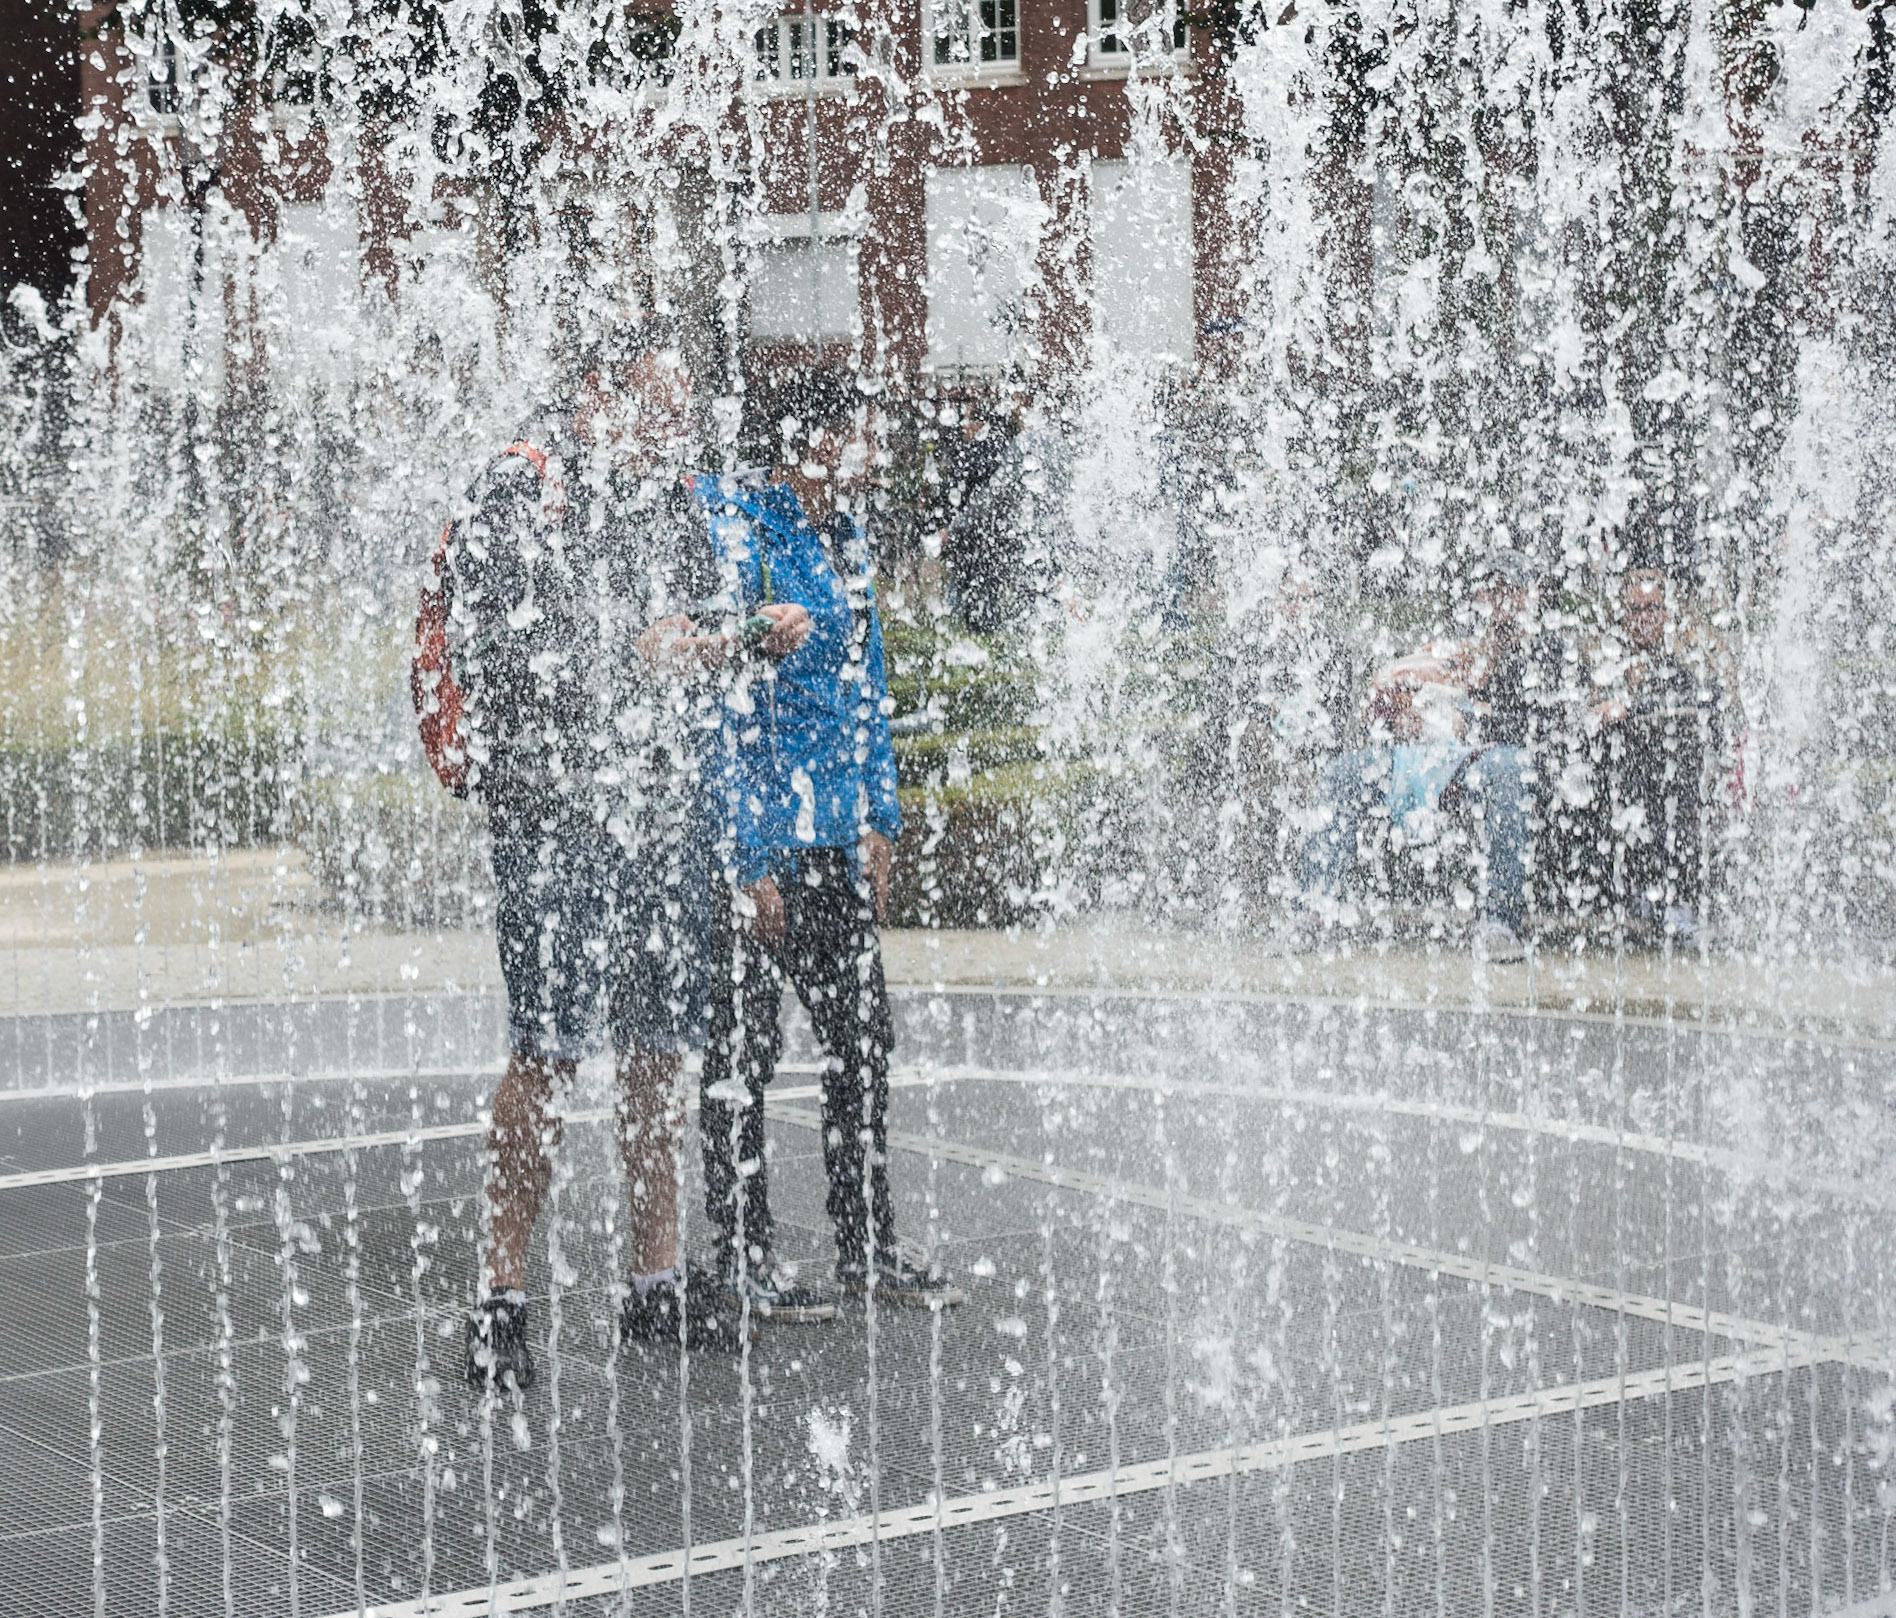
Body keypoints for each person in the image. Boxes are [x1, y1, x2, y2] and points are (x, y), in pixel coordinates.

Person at [445, 332, 813, 1392]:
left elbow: (682, 636)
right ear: (599, 391)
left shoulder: (670, 505)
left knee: (655, 1047)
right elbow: (558, 649)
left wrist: (739, 634)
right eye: (661, 400)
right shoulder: (524, 490)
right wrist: (702, 646)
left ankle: (654, 1281)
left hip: (658, 813)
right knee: (550, 1046)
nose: (680, 423)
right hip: (553, 816)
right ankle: (501, 1297)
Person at [689, 373, 965, 1318]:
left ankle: (867, 1243)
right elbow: (722, 713)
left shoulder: (843, 539)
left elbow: (866, 683)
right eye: (859, 438)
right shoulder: (738, 532)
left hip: (835, 834)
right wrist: (745, 854)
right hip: (762, 840)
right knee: (745, 1052)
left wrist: (879, 814)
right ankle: (743, 1254)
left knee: (861, 1044)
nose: (873, 456)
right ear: (810, 440)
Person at [1299, 550, 1558, 959]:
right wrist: (1407, 715)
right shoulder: (1461, 645)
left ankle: (1498, 922)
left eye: (1509, 590)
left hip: (1486, 760)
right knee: (1343, 774)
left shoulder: (1547, 651)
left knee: (1511, 769)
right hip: (1421, 756)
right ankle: (1311, 910)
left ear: (1529, 596)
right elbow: (1392, 688)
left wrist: (1470, 720)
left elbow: (1540, 724)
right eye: (1491, 589)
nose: (1499, 598)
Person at [1584, 567, 1732, 943]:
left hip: (1674, 780)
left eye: (1652, 609)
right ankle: (1648, 895)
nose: (1643, 619)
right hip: (1609, 785)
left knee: (1670, 762)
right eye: (1634, 610)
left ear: (1667, 613)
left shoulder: (1686, 660)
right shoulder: (1602, 658)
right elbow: (1579, 717)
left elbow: (1707, 708)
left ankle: (1670, 901)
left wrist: (1635, 702)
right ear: (1620, 614)